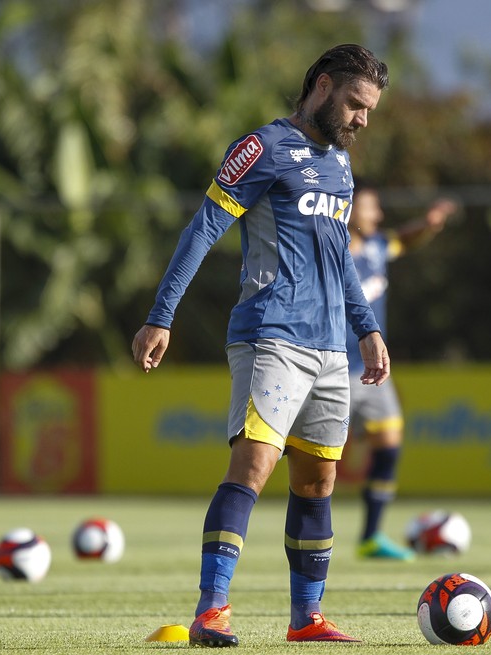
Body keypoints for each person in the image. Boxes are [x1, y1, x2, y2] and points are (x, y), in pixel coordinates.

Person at [131, 44, 390, 647]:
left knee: (319, 483)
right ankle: (211, 610)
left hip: (330, 348)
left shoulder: (341, 168)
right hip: (272, 334)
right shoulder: (264, 148)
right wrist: (160, 316)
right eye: (355, 104)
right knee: (253, 464)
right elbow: (204, 228)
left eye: (370, 110)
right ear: (323, 87)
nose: (362, 120)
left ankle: (307, 618)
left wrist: (367, 328)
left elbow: (339, 262)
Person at [346, 183, 457, 561]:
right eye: (369, 207)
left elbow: (403, 240)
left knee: (389, 445)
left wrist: (428, 223)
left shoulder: (378, 247)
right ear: (348, 208)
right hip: (332, 368)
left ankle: (371, 536)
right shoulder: (330, 250)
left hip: (373, 370)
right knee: (310, 456)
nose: (375, 214)